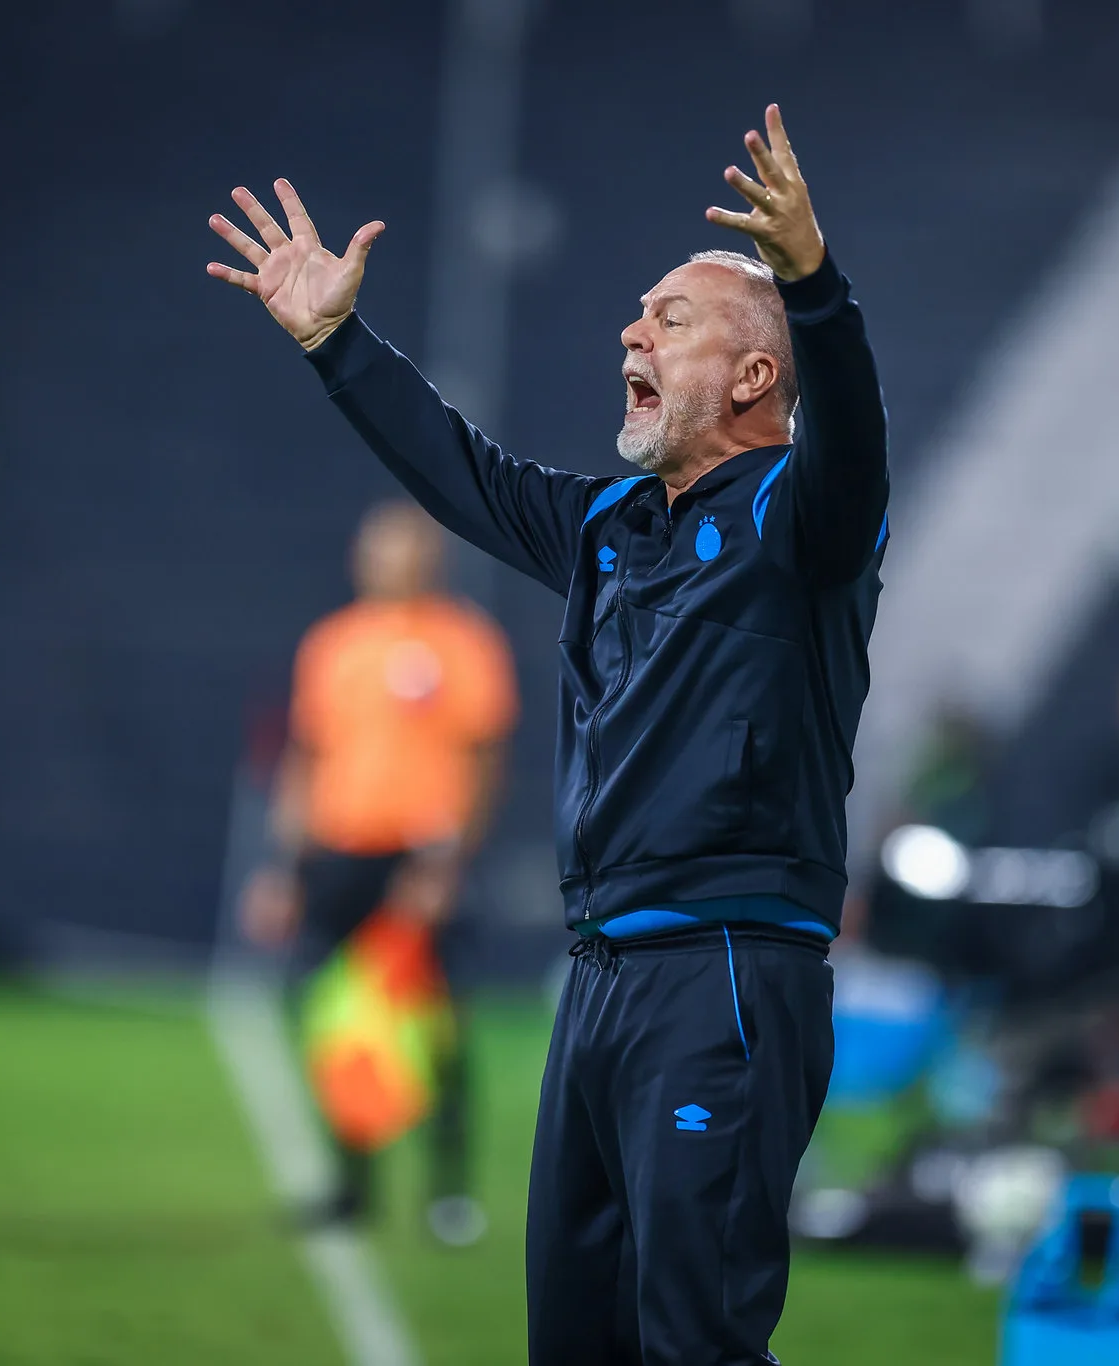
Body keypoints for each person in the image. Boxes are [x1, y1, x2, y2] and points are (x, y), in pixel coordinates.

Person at [206, 105, 887, 1364]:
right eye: (636, 311)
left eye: (670, 318)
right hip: (602, 978)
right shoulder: (610, 524)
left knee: (698, 1344)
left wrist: (811, 285)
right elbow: (458, 470)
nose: (631, 330)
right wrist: (334, 342)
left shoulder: (805, 523)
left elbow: (852, 431)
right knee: (574, 1345)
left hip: (725, 969)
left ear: (752, 377)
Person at [239, 500, 517, 1245]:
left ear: (433, 558)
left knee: (439, 1030)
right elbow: (306, 758)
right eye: (379, 548)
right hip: (339, 854)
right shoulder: (332, 644)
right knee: (339, 1027)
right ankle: (350, 1185)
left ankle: (448, 1192)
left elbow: (483, 760)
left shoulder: (464, 642)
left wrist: (449, 864)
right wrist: (283, 871)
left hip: (419, 859)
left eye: (405, 548)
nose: (389, 560)